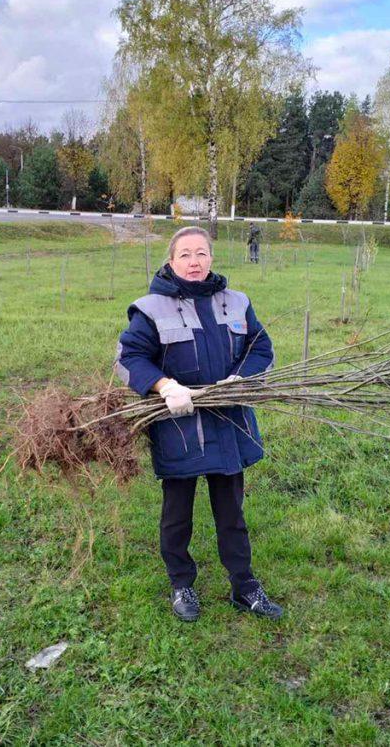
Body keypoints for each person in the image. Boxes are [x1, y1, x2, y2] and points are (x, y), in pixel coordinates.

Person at [115, 226, 281, 622]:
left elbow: (261, 347)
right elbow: (128, 358)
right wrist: (164, 384)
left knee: (232, 513)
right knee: (177, 513)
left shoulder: (236, 302)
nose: (194, 261)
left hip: (228, 425)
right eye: (185, 254)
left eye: (201, 253)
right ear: (172, 261)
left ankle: (244, 586)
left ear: (211, 259)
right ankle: (181, 583)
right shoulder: (151, 308)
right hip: (180, 427)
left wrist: (243, 379)